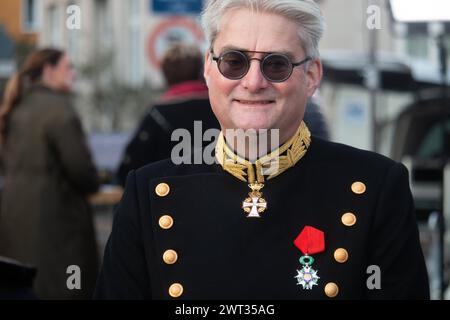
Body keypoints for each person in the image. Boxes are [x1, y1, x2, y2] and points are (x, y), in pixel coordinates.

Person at [95, 0, 429, 299]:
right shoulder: (149, 193)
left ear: (311, 76)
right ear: (209, 70)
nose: (253, 82)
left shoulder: (375, 188)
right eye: (234, 61)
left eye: (276, 64)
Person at [0, 48, 100, 299]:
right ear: (48, 70)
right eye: (68, 68)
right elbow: (80, 170)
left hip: (14, 220)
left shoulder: (17, 106)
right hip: (57, 222)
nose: (73, 74)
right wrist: (96, 182)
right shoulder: (60, 111)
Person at [115, 43, 219, 186]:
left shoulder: (157, 114)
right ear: (200, 71)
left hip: (168, 197)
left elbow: (130, 167)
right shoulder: (219, 108)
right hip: (217, 190)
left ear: (166, 75)